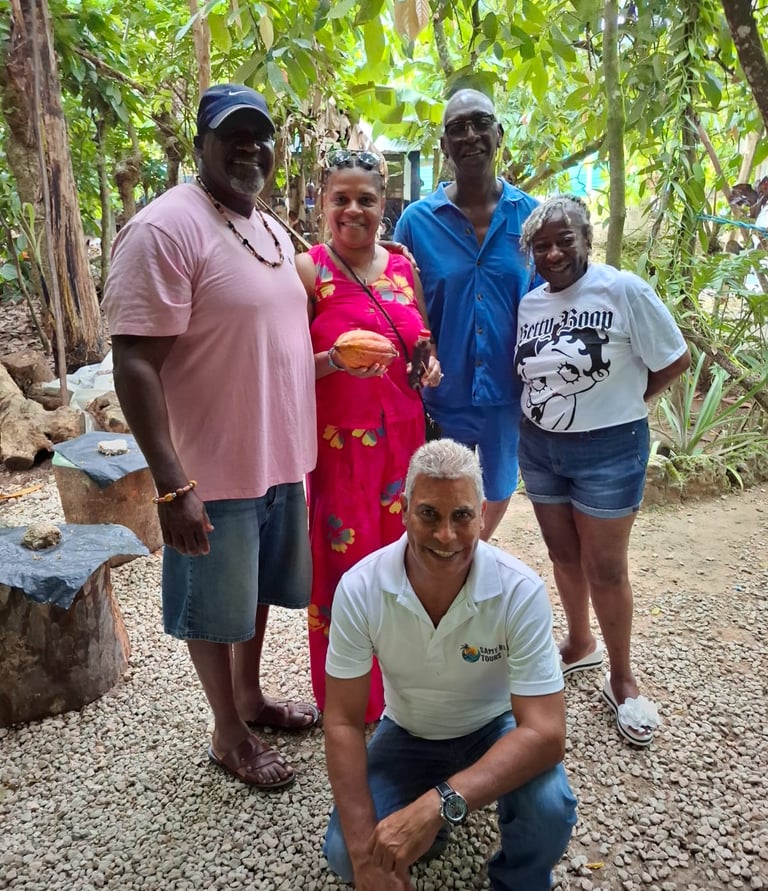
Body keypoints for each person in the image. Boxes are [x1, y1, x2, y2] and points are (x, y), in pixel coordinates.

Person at [102, 84, 319, 789]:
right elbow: (134, 358)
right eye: (233, 134)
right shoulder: (167, 228)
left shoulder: (267, 227)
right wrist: (171, 483)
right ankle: (227, 732)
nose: (249, 147)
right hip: (210, 470)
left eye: (260, 134)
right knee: (215, 604)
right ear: (199, 144)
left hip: (276, 457)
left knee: (251, 593)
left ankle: (250, 697)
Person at [323, 439, 577, 890]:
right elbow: (342, 720)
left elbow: (545, 733)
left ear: (482, 513)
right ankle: (430, 826)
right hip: (408, 731)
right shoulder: (360, 588)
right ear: (403, 510)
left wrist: (439, 802)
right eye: (429, 514)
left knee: (548, 809)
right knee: (346, 855)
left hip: (495, 727)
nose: (446, 535)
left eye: (461, 516)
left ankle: (517, 877)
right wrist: (366, 858)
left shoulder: (520, 591)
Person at [515, 194, 691, 747]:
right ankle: (579, 643)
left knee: (606, 567)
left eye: (564, 240)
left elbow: (674, 359)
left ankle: (622, 677)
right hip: (540, 446)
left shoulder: (623, 289)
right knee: (563, 555)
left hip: (610, 451)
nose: (553, 252)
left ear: (585, 238)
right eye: (541, 245)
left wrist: (624, 403)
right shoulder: (531, 303)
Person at [295, 148, 442, 722]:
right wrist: (336, 358)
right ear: (323, 203)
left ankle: (409, 695)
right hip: (340, 450)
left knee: (408, 566)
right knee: (345, 576)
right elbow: (286, 368)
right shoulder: (309, 271)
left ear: (385, 205)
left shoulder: (404, 267)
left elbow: (421, 342)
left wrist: (428, 365)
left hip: (403, 445)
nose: (353, 210)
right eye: (341, 199)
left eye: (366, 200)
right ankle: (350, 705)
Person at [394, 88, 539, 540]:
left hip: (506, 396)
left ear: (499, 134)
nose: (470, 135)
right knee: (438, 495)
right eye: (457, 128)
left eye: (480, 123)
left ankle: (472, 556)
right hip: (441, 399)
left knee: (497, 489)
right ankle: (443, 573)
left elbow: (545, 305)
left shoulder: (531, 217)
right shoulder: (416, 223)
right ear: (444, 145)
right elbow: (402, 304)